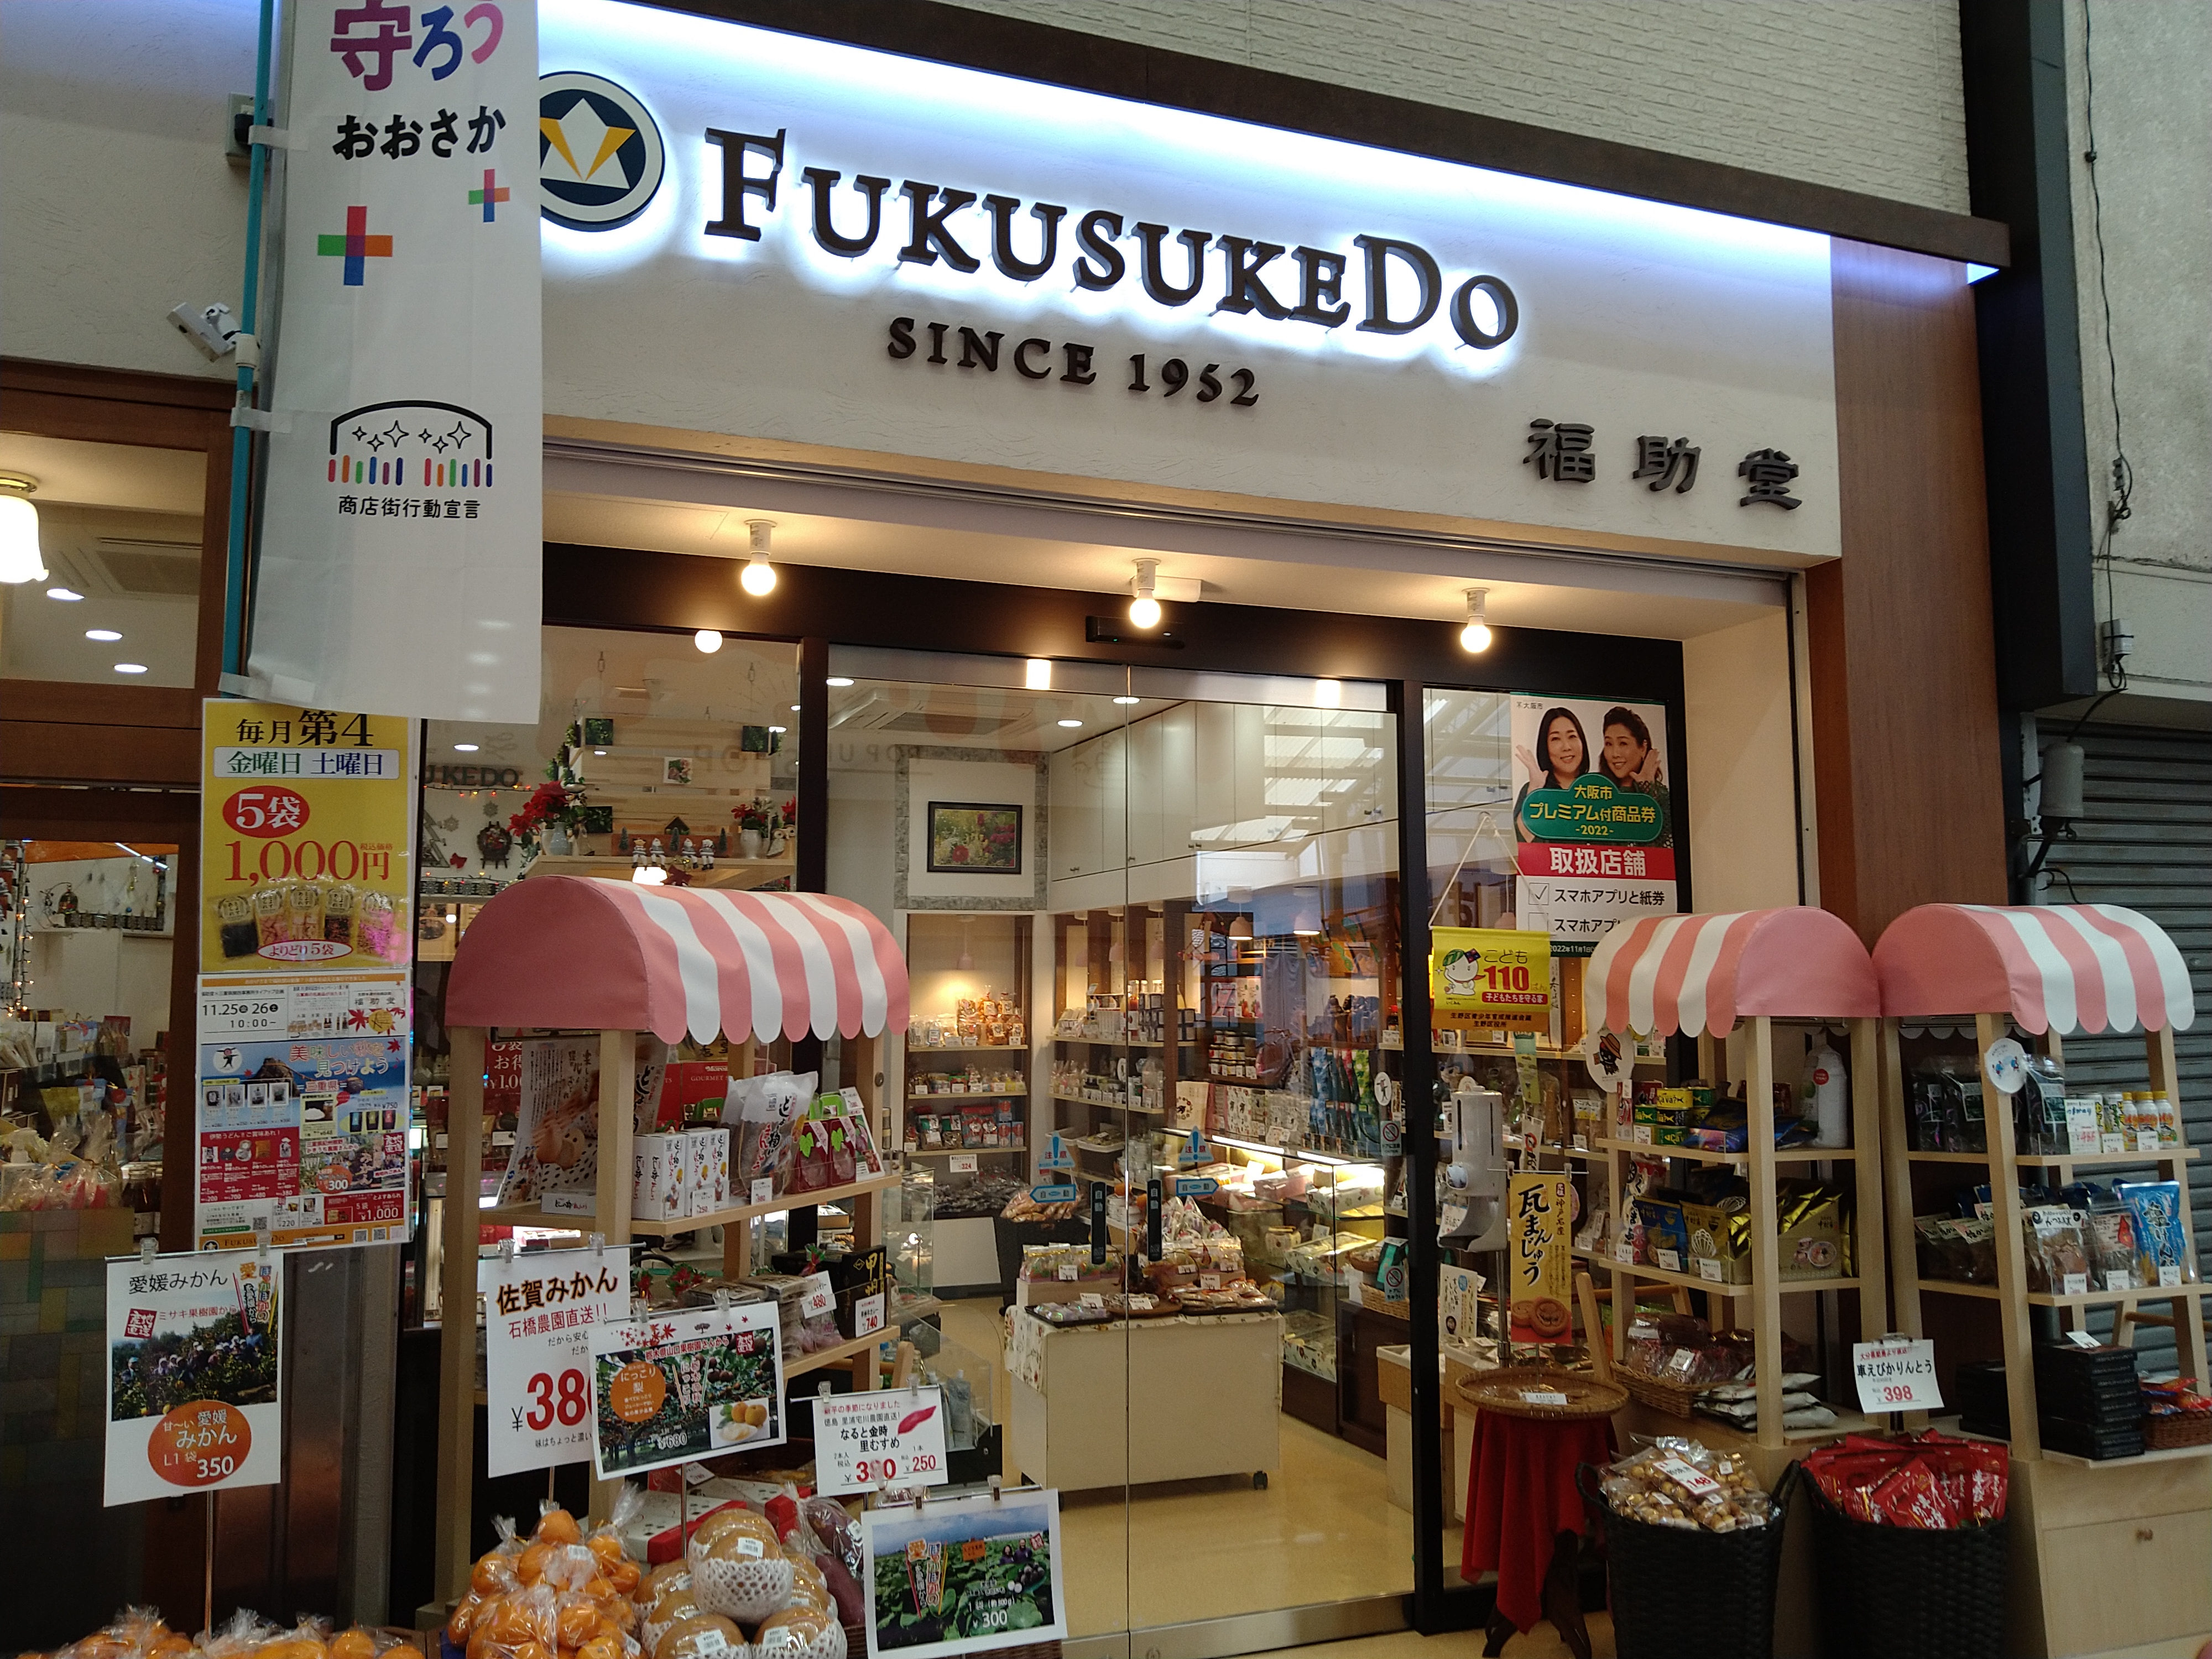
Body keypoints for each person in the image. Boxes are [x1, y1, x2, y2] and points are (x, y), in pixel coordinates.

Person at [1514, 706, 1590, 841]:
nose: (1567, 747)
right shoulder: (1533, 791)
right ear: (1545, 747)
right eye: (1556, 739)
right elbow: (1522, 842)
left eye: (1572, 736)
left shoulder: (1599, 789)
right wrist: (1535, 790)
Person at [1598, 705, 1671, 844]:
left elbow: (1664, 849)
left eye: (1623, 743)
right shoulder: (1597, 793)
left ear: (1643, 748)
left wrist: (1647, 789)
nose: (1615, 754)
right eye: (1608, 744)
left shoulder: (1662, 797)